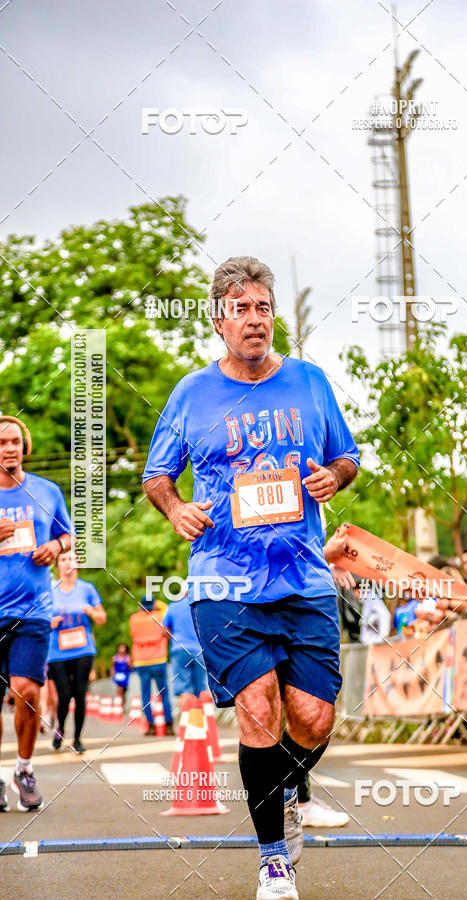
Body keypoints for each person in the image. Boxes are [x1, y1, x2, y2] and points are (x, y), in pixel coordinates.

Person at [143, 256, 359, 900]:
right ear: (219, 321)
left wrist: (334, 476)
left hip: (304, 577)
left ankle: (287, 789)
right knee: (259, 707)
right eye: (241, 309)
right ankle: (273, 860)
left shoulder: (310, 382)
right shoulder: (191, 393)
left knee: (314, 719)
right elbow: (157, 475)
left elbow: (347, 456)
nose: (255, 319)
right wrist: (175, 508)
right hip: (223, 581)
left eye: (263, 307)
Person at [0, 416, 72, 812]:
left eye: (15, 441)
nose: (9, 448)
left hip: (33, 611)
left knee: (26, 691)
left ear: (24, 447)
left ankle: (24, 769)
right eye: (2, 443)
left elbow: (67, 534)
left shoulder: (47, 491)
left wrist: (56, 548)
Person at [47, 549, 106, 753]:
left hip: (83, 649)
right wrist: (49, 622)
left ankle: (78, 738)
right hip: (57, 651)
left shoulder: (87, 588)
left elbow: (102, 618)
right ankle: (60, 729)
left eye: (71, 559)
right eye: (63, 559)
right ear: (58, 564)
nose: (67, 563)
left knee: (80, 694)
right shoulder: (50, 589)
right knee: (64, 695)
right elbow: (39, 618)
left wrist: (91, 611)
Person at [129, 596, 174, 736]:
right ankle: (169, 725)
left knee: (145, 694)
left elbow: (132, 634)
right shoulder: (159, 616)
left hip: (141, 661)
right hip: (158, 660)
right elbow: (168, 609)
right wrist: (158, 604)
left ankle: (151, 726)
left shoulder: (134, 619)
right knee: (164, 693)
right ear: (153, 605)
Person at [162, 593, 208, 713]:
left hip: (179, 650)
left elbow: (164, 631)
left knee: (184, 690)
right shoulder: (201, 606)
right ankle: (203, 720)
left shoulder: (173, 606)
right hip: (199, 651)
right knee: (202, 689)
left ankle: (188, 721)